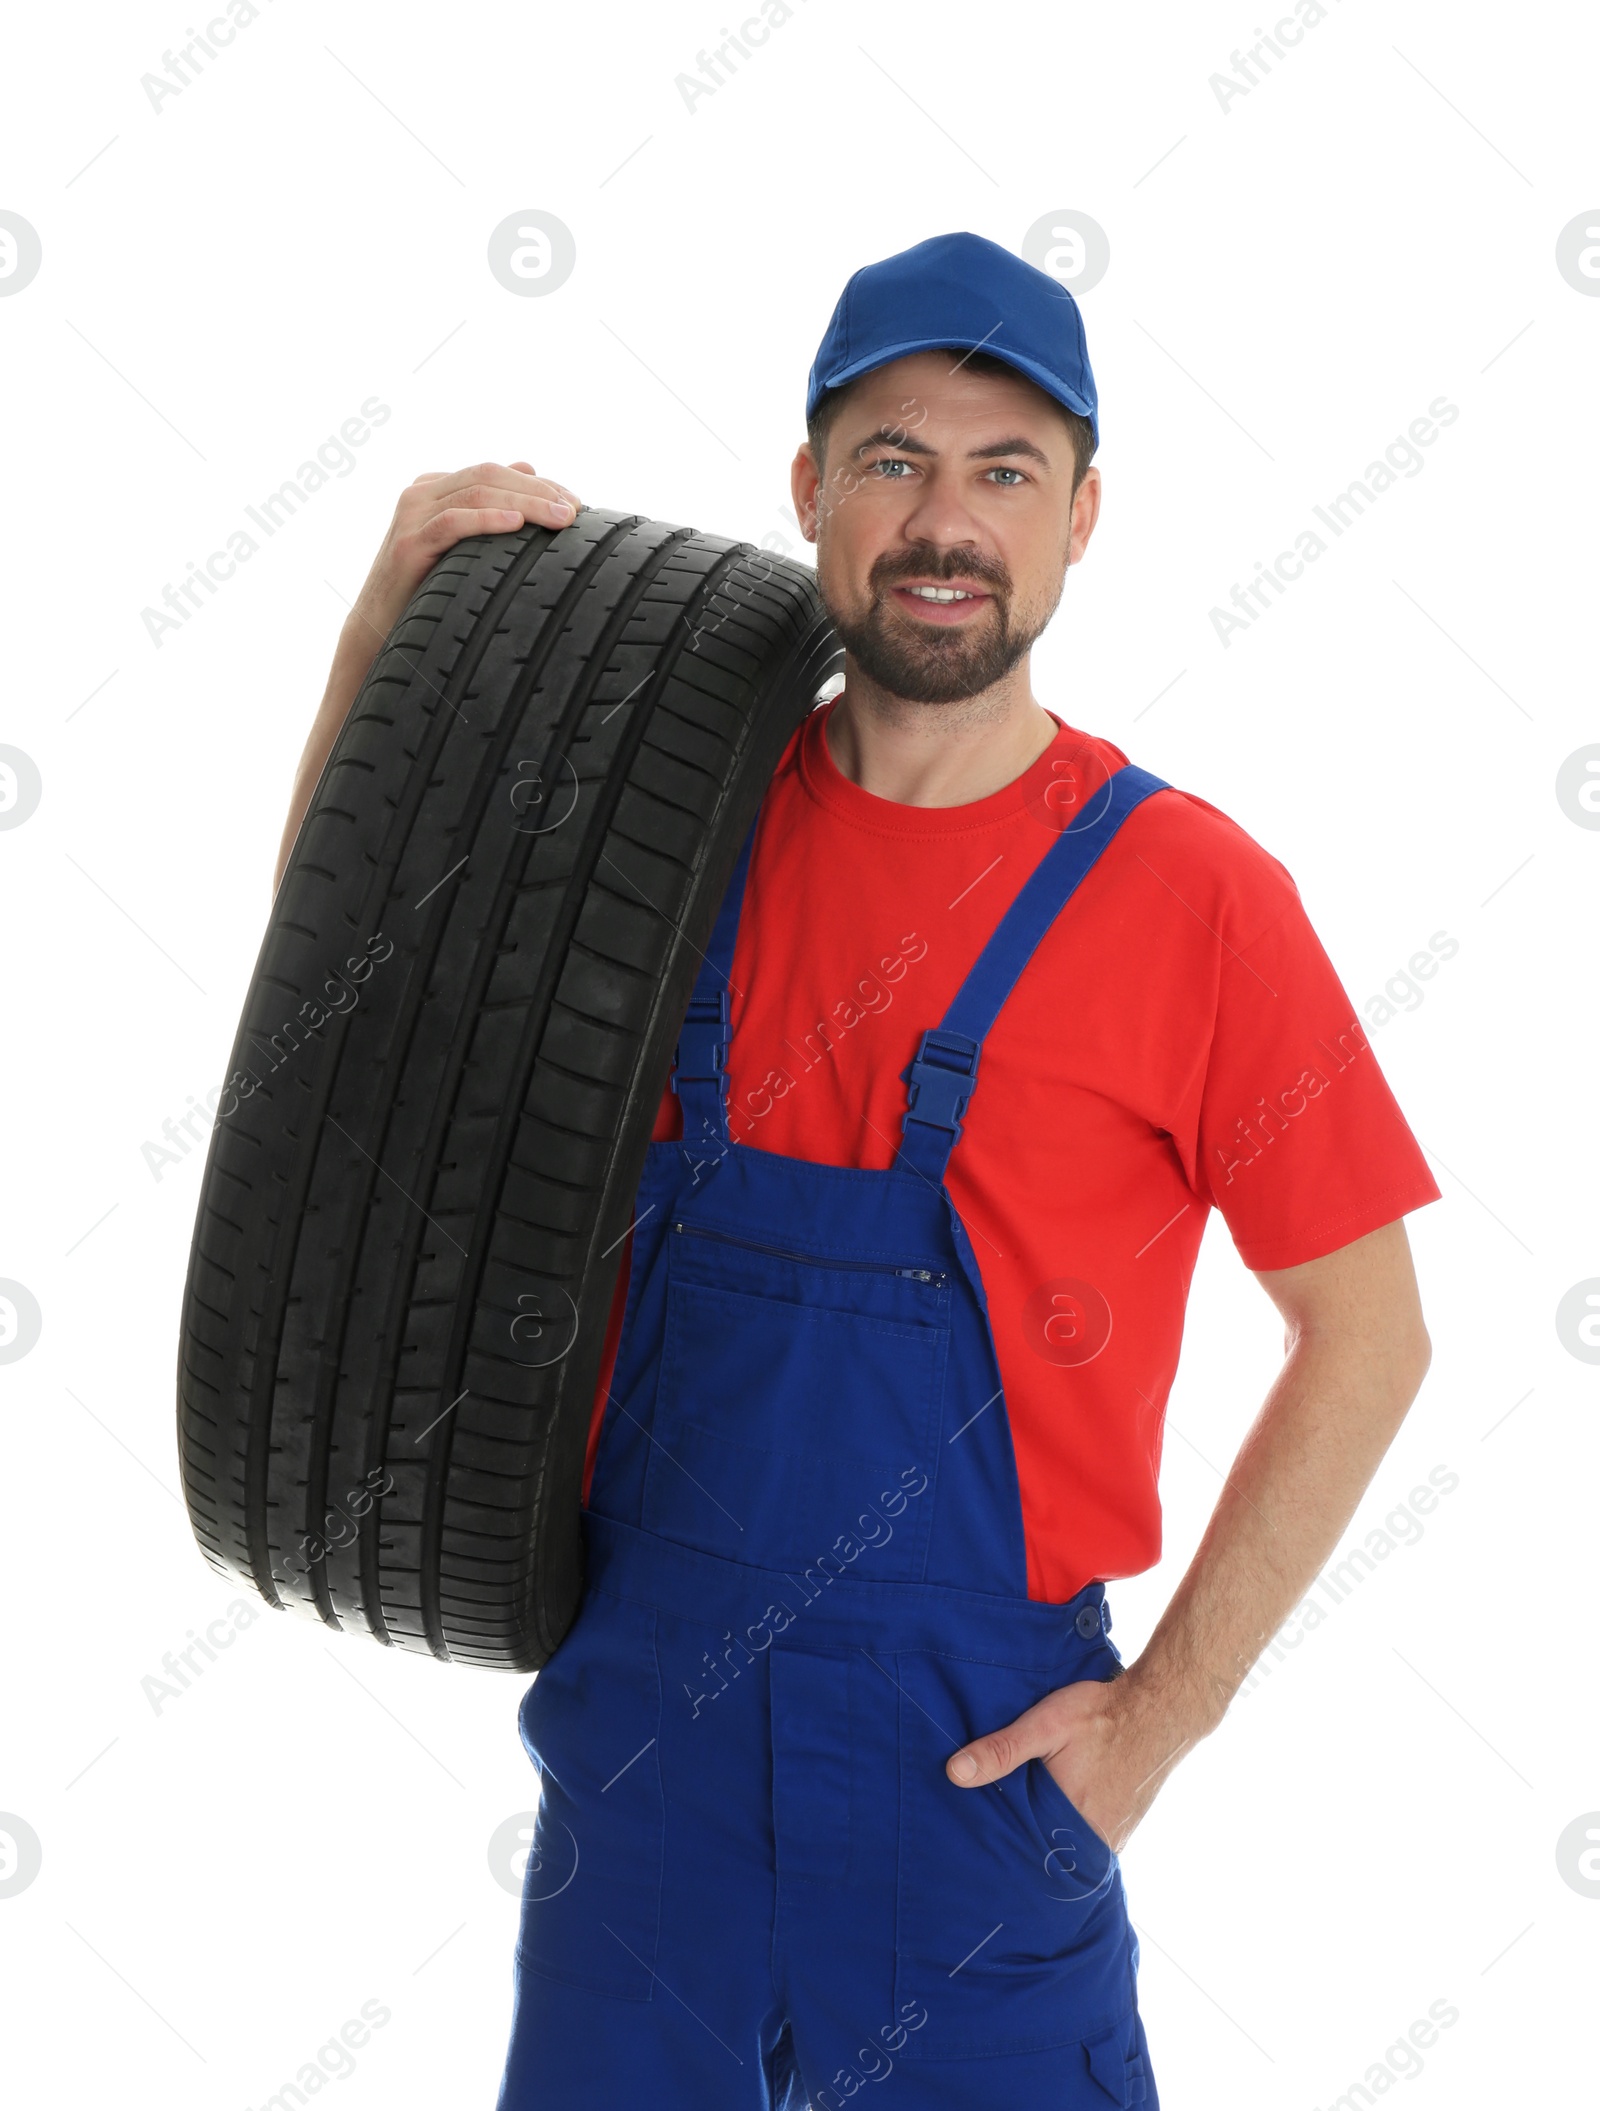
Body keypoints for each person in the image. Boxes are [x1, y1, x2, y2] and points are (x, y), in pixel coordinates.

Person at [276, 231, 1440, 2109]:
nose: (944, 521)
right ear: (811, 493)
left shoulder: (1196, 899)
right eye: (893, 458)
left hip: (973, 1784)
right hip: (641, 1767)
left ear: (1081, 521)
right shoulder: (651, 841)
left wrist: (1162, 1720)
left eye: (1005, 472)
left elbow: (1368, 1335)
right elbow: (359, 1044)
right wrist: (379, 649)